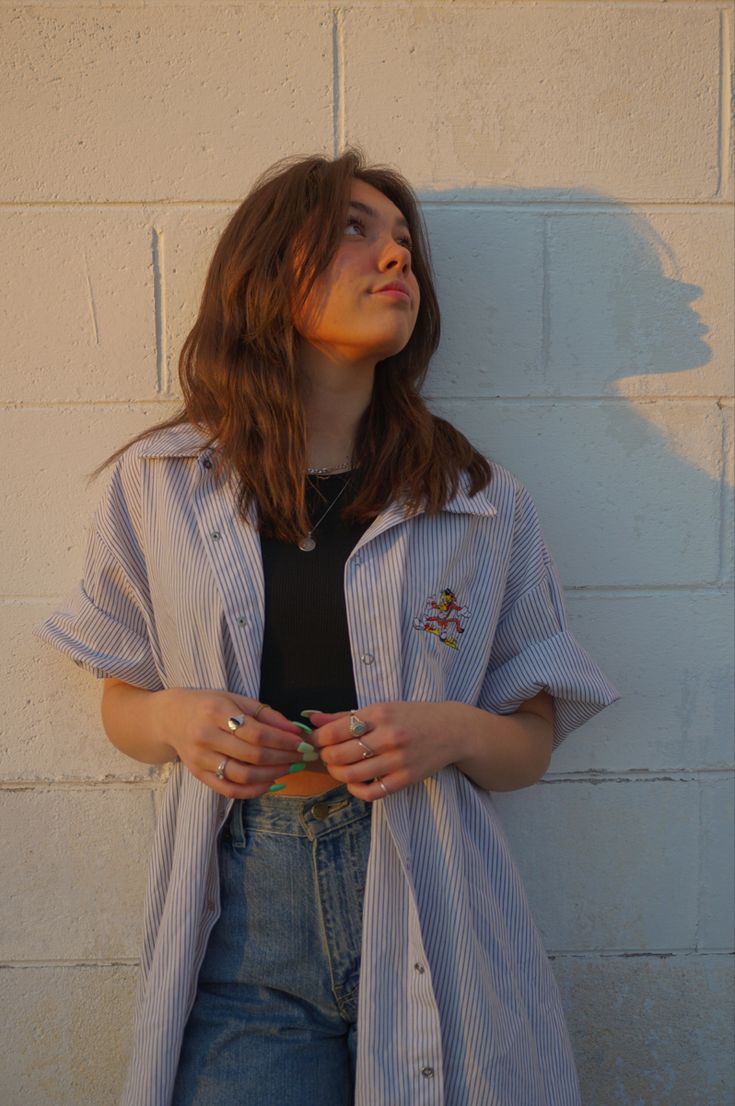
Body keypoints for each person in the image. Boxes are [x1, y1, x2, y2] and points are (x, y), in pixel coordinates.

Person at [35, 149, 620, 1106]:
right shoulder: (161, 485)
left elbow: (528, 745)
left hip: (437, 903)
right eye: (355, 229)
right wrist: (175, 719)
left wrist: (456, 731)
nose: (395, 258)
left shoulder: (476, 501)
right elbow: (121, 696)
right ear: (267, 269)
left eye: (403, 243)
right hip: (245, 918)